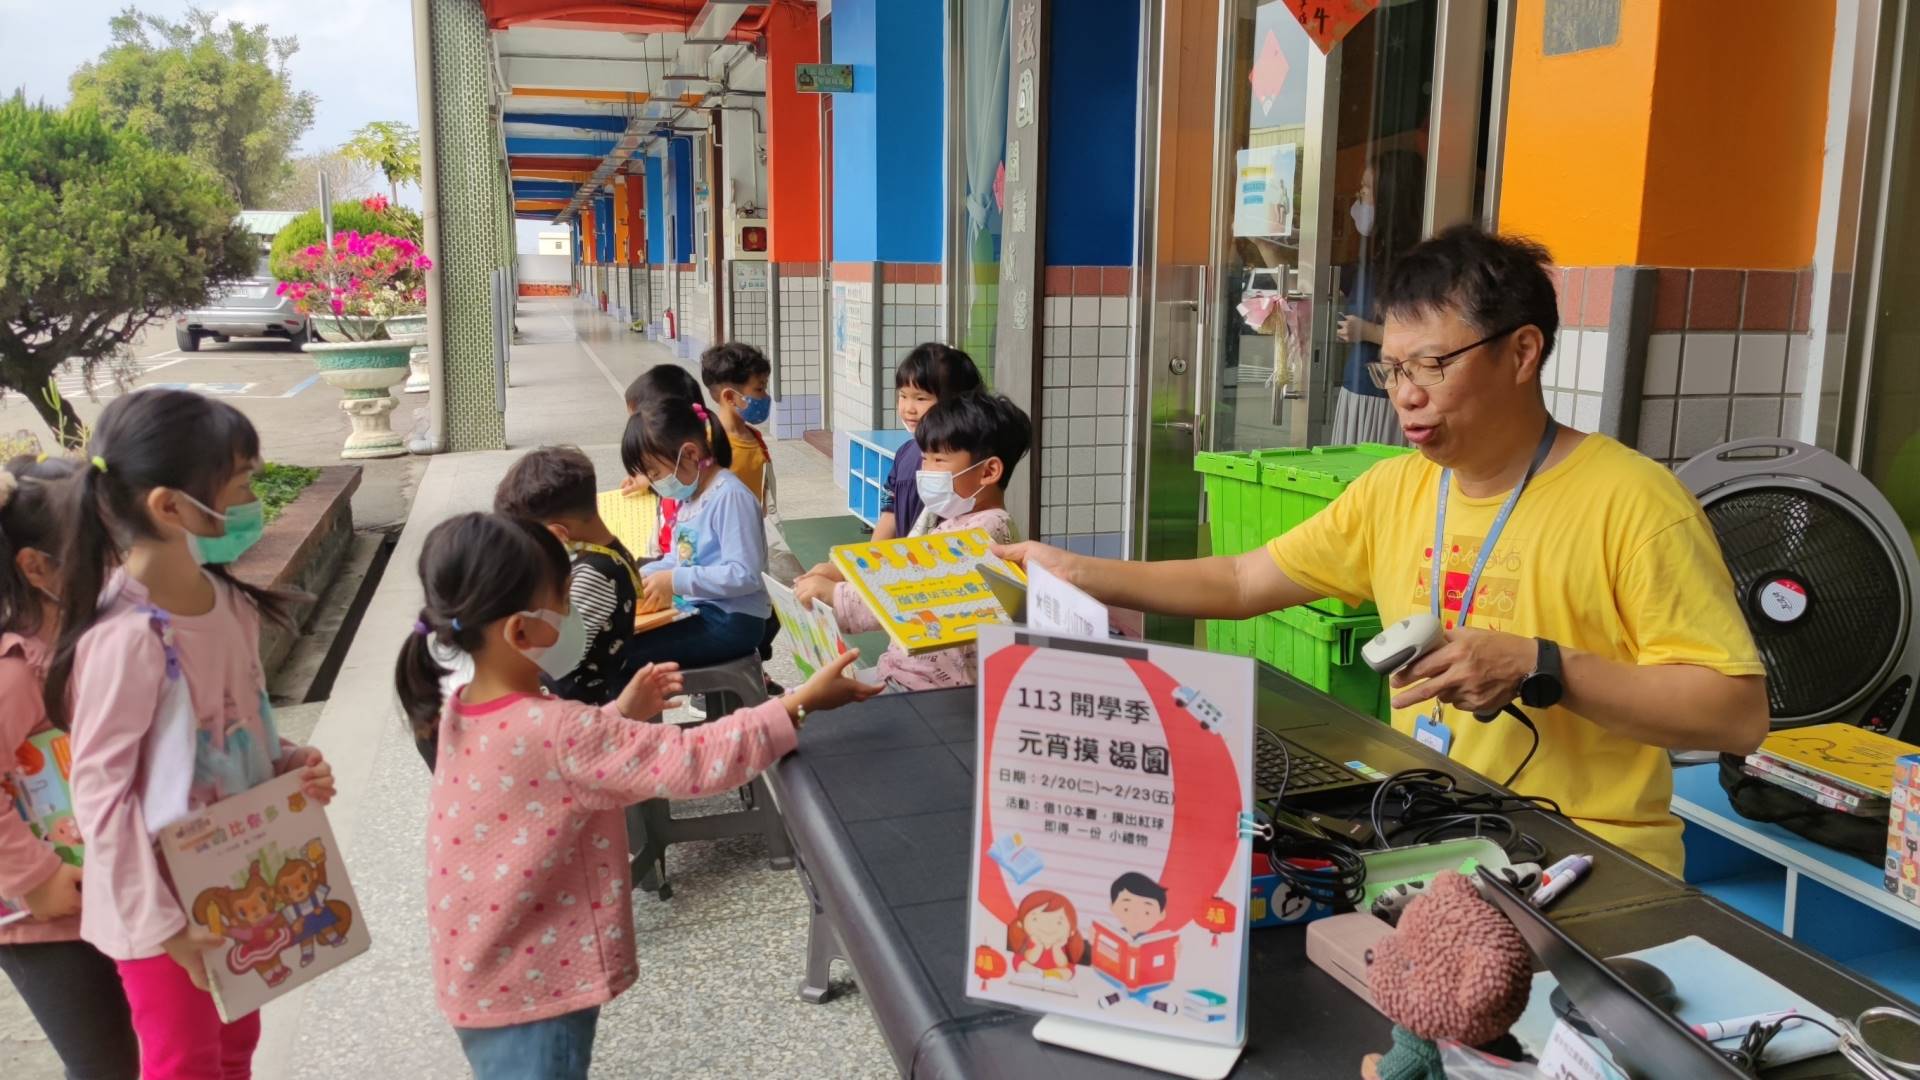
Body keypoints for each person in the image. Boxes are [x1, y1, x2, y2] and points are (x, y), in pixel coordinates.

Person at [998, 226, 1768, 875]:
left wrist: (1543, 666)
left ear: (1523, 351)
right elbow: (1240, 579)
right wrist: (1075, 572)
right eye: (1393, 369)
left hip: (1587, 858)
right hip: (1435, 831)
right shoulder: (1395, 490)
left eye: (1432, 364)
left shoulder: (1634, 503)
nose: (1405, 394)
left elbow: (1736, 715)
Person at [394, 512, 880, 1080]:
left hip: (485, 969)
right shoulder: (559, 733)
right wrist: (798, 702)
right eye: (566, 603)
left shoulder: (457, 706)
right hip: (538, 984)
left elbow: (544, 769)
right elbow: (693, 761)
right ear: (521, 633)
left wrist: (618, 716)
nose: (577, 617)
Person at [43, 389, 338, 1080]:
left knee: (234, 1050)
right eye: (238, 486)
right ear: (170, 507)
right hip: (163, 912)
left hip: (239, 882)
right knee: (185, 1064)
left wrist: (291, 766)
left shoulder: (229, 602)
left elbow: (238, 731)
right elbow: (102, 798)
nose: (248, 499)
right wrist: (165, 929)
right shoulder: (128, 638)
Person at [0, 455, 141, 1079]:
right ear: (35, 567)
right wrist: (34, 875)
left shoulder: (102, 638)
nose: (116, 568)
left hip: (116, 894)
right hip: (45, 918)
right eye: (97, 555)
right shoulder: (14, 671)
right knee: (107, 1066)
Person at [797, 393, 1029, 691]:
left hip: (936, 690)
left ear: (988, 471)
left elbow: (916, 598)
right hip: (908, 674)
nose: (924, 471)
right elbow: (903, 569)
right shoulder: (955, 519)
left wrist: (837, 594)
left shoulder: (987, 531)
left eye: (938, 460)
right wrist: (845, 572)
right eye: (924, 459)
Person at [798, 343, 984, 596]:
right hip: (904, 569)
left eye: (921, 398)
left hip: (941, 578)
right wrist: (860, 570)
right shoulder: (904, 455)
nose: (908, 408)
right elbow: (890, 516)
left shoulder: (964, 467)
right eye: (903, 395)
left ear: (956, 403)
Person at [619, 395, 771, 672]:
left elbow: (745, 574)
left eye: (655, 473)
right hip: (703, 610)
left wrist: (675, 580)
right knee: (617, 641)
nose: (654, 483)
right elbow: (678, 559)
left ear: (690, 454)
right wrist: (643, 577)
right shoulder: (688, 498)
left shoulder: (729, 496)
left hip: (733, 621)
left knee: (623, 655)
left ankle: (621, 714)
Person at [493, 447, 644, 705]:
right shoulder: (606, 552)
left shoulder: (594, 576)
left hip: (574, 713)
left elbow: (551, 655)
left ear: (556, 535)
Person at [1331, 149, 1424, 446]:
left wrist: (1368, 332)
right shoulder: (1371, 260)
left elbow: (1426, 341)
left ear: (1389, 198)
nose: (1358, 200)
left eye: (1366, 190)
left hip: (1385, 398)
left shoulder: (1415, 266)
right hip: (1356, 390)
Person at [698, 342, 773, 505]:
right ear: (730, 397)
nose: (765, 396)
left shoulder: (754, 437)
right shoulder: (709, 445)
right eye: (759, 389)